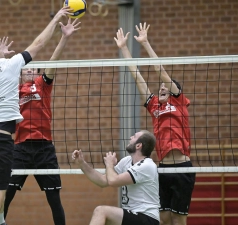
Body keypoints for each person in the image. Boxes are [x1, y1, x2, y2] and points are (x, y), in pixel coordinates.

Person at [0, 6, 72, 225]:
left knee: (45, 197)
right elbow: (38, 44)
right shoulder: (10, 69)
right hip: (9, 143)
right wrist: (58, 16)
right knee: (0, 196)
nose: (30, 70)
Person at [114, 23, 195, 225]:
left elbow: (161, 72)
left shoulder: (179, 102)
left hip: (182, 168)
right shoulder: (154, 106)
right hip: (163, 169)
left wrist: (146, 42)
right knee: (164, 219)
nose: (162, 87)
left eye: (165, 86)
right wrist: (124, 48)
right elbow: (137, 77)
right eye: (160, 87)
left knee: (179, 220)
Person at [3, 18, 81, 225]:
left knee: (54, 199)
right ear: (19, 74)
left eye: (33, 69)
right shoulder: (12, 90)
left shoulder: (42, 85)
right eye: (26, 69)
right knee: (5, 195)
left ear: (37, 73)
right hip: (19, 148)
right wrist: (1, 57)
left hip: (44, 148)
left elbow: (53, 62)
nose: (30, 70)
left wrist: (64, 38)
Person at [72, 130, 159, 225]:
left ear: (138, 145)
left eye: (134, 137)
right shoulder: (126, 161)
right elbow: (102, 181)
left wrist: (109, 164)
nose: (130, 137)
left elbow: (113, 181)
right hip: (132, 215)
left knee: (101, 211)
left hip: (147, 218)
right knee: (103, 215)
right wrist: (82, 163)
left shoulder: (147, 165)